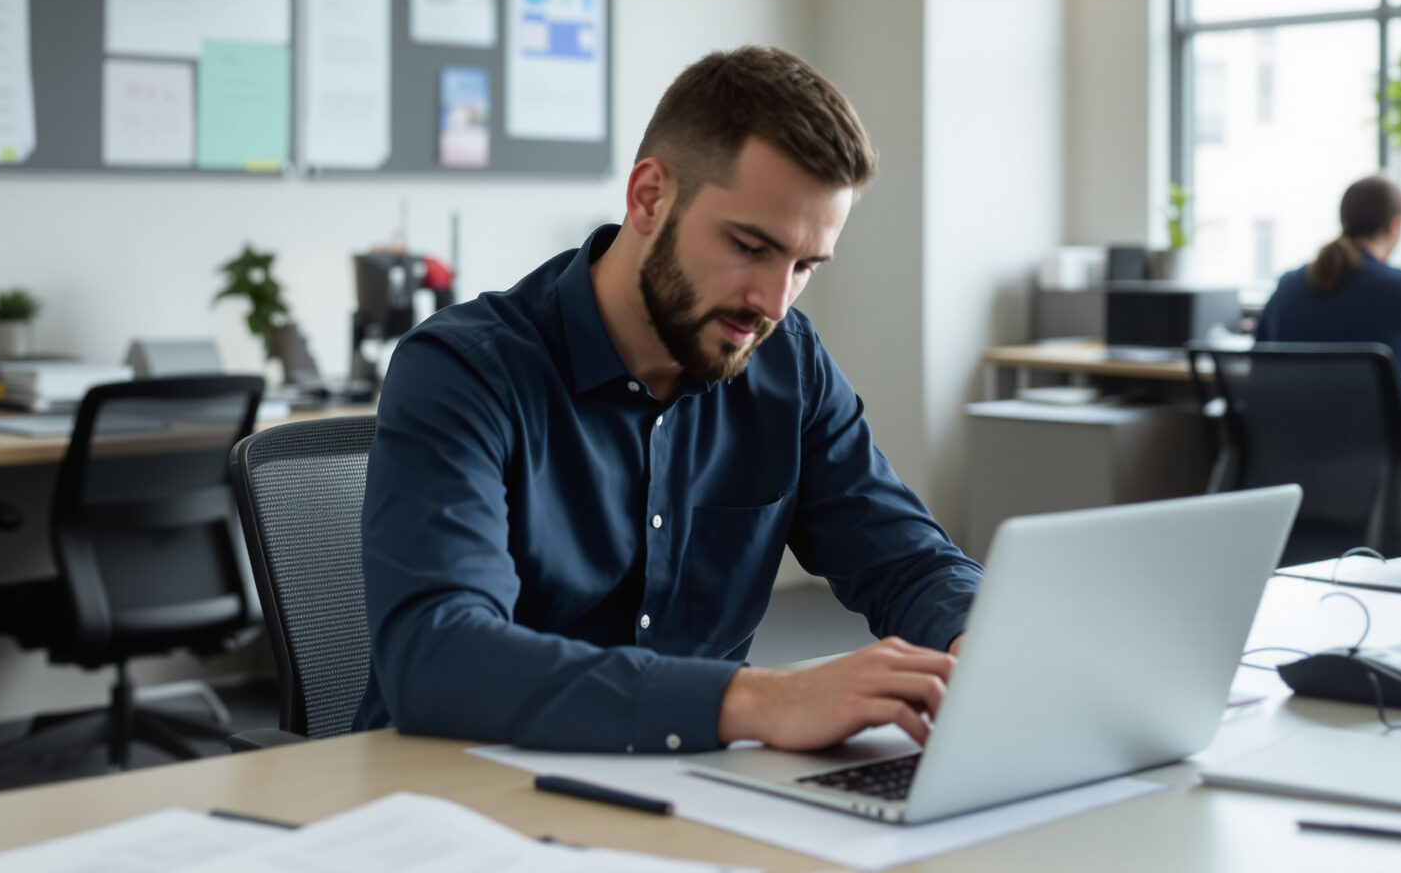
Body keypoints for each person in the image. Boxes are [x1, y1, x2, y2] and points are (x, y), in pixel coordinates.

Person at [356, 46, 983, 755]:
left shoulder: (786, 361)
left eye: (804, 265)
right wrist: (757, 698)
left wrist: (983, 644)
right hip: (465, 795)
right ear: (649, 196)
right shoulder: (462, 372)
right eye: (751, 246)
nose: (773, 302)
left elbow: (909, 561)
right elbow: (441, 658)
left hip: (688, 793)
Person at [1255, 173, 1401, 520]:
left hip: (1294, 481)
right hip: (1389, 485)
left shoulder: (1288, 286)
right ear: (1394, 226)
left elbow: (1260, 362)